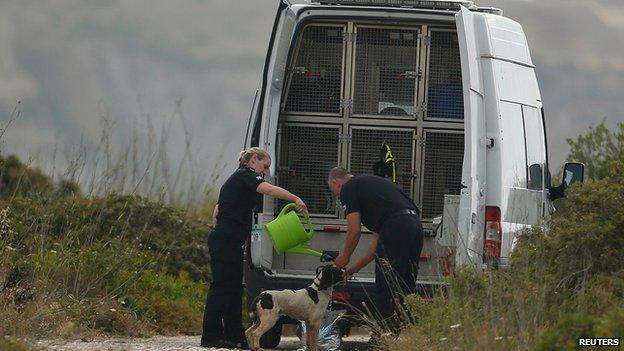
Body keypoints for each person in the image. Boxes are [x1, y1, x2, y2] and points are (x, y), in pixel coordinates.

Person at [201, 147, 307, 349]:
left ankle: (234, 335)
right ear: (253, 160)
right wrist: (295, 198)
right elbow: (269, 190)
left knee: (233, 289)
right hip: (226, 240)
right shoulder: (245, 175)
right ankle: (210, 336)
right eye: (264, 166)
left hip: (229, 240)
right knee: (221, 287)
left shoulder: (239, 180)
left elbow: (216, 211)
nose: (264, 172)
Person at [327, 167, 423, 332]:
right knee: (404, 283)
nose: (339, 198)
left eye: (335, 193)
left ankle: (382, 336)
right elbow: (375, 249)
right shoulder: (375, 188)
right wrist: (351, 270)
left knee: (385, 284)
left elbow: (354, 228)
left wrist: (344, 257)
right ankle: (408, 332)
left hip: (397, 228)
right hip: (414, 226)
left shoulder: (348, 187)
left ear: (336, 183)